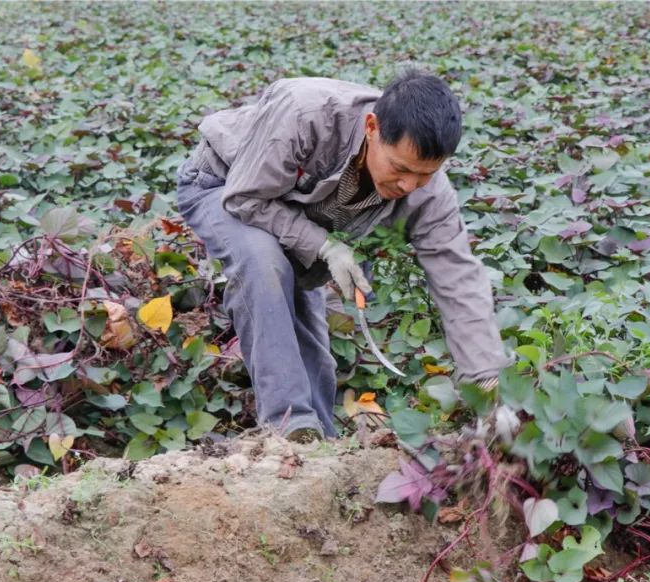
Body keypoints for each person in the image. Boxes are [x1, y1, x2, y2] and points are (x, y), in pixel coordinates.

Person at [174, 70, 507, 442]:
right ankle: (289, 428)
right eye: (400, 169)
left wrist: (486, 379)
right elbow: (244, 198)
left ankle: (321, 444)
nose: (409, 186)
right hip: (224, 185)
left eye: (425, 175)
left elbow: (458, 277)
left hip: (294, 210)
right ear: (371, 128)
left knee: (307, 330)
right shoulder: (307, 115)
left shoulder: (428, 193)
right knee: (263, 264)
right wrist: (324, 245)